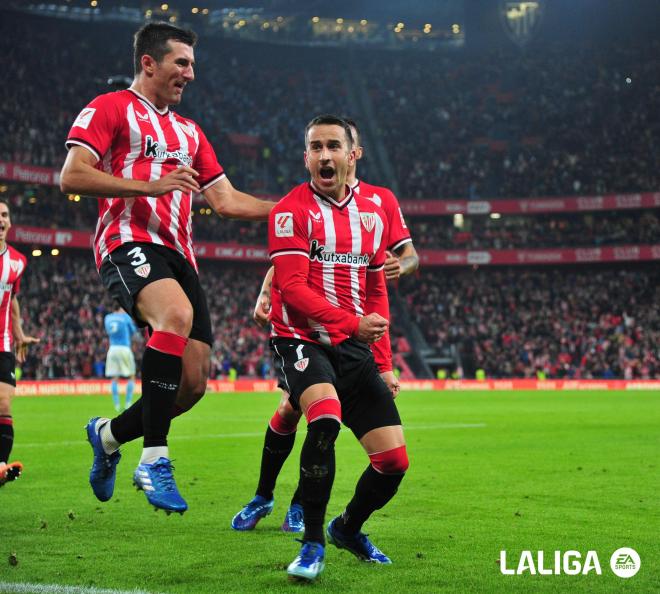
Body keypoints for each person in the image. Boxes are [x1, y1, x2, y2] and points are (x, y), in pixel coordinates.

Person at [60, 22, 273, 513]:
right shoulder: (110, 107)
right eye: (182, 63)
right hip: (127, 240)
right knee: (173, 318)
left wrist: (293, 207)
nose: (190, 74)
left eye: (193, 64)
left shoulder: (190, 132)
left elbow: (225, 200)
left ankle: (109, 436)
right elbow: (71, 174)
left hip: (181, 255)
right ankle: (153, 458)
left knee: (194, 383)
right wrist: (148, 188)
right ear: (149, 63)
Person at [231, 119, 418, 533]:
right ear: (308, 156)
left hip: (350, 337)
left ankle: (302, 505)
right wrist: (266, 289)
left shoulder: (378, 203)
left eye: (335, 146)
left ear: (354, 153)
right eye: (317, 147)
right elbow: (293, 267)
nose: (326, 155)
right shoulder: (297, 206)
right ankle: (266, 496)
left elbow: (407, 259)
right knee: (297, 410)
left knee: (325, 420)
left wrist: (395, 266)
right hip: (303, 332)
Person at [0, 201, 40, 487]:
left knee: (3, 405)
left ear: (10, 222)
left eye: (3, 215)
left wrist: (20, 332)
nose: (0, 219)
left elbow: (13, 298)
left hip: (2, 344)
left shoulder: (18, 261)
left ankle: (1, 467)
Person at [103, 305, 138, 412]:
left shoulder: (107, 318)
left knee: (114, 379)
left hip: (112, 349)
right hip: (124, 348)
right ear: (121, 308)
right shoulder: (125, 317)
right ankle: (128, 403)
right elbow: (133, 331)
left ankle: (117, 405)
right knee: (131, 377)